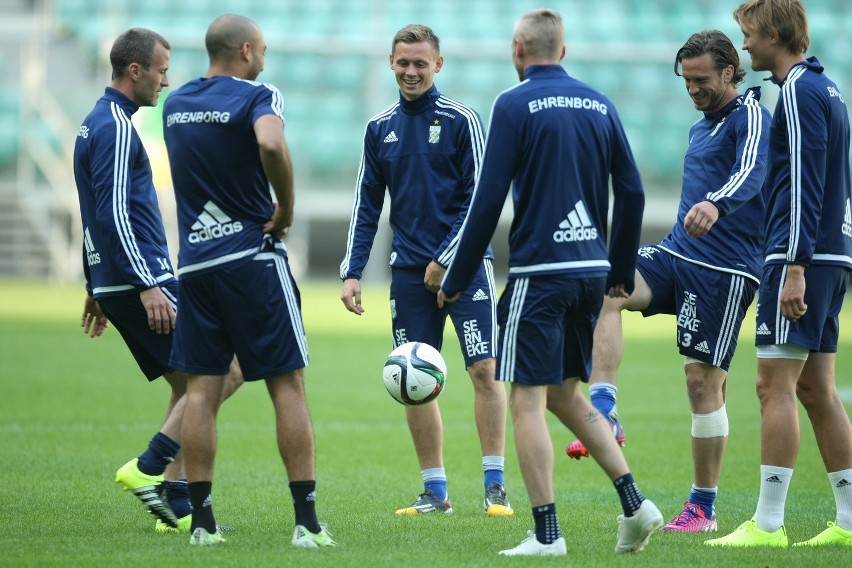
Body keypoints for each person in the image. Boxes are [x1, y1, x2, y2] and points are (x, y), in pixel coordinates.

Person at [439, 8, 663, 556]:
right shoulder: (599, 102)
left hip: (540, 274)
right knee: (566, 394)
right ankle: (636, 505)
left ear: (519, 48)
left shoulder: (513, 104)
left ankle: (547, 536)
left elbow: (488, 199)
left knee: (526, 401)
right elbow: (632, 192)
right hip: (590, 273)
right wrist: (617, 265)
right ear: (561, 51)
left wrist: (458, 275)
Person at [564, 30, 770, 534]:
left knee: (702, 381)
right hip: (678, 252)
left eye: (702, 80)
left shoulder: (751, 115)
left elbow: (754, 171)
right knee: (606, 284)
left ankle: (702, 507)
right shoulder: (702, 127)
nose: (693, 88)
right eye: (686, 80)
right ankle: (606, 410)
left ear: (729, 71)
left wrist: (716, 203)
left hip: (726, 268)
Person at [161, 14, 335, 548]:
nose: (265, 57)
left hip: (195, 264)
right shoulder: (257, 95)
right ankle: (306, 524)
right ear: (244, 51)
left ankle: (203, 524)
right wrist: (284, 209)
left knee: (201, 392)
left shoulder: (176, 104)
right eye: (261, 48)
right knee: (288, 385)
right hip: (251, 259)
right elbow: (271, 146)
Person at [339, 23, 512, 517]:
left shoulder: (462, 120)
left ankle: (494, 486)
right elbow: (366, 204)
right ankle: (435, 493)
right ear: (391, 64)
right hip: (408, 274)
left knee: (484, 369)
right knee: (413, 376)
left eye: (421, 63)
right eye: (403, 63)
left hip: (465, 267)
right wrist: (352, 271)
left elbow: (481, 198)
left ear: (438, 65)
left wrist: (447, 259)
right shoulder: (379, 128)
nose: (411, 71)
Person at [73, 27, 241, 534]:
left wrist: (94, 283)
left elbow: (92, 215)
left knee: (188, 384)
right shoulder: (119, 129)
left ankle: (177, 502)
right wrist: (146, 284)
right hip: (140, 277)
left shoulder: (94, 123)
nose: (167, 81)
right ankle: (149, 467)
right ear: (135, 71)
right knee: (224, 369)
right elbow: (111, 212)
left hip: (114, 279)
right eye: (162, 70)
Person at [706, 0, 852, 548]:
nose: (743, 45)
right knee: (818, 389)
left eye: (747, 34)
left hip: (801, 258)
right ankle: (848, 522)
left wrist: (792, 264)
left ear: (773, 32)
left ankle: (768, 524)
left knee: (774, 386)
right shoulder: (828, 89)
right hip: (834, 254)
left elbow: (802, 183)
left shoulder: (795, 91)